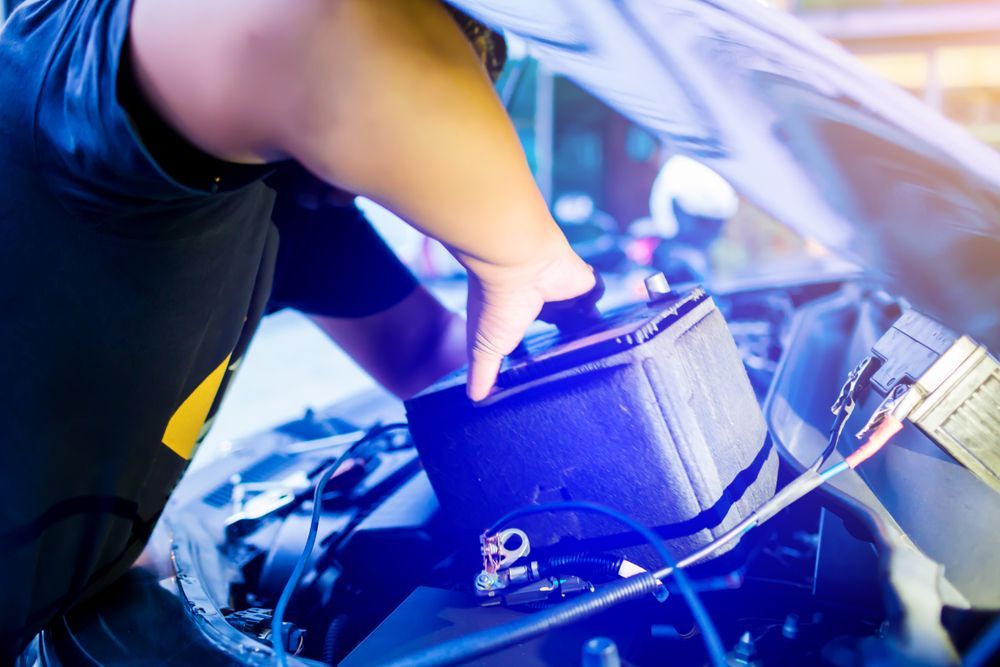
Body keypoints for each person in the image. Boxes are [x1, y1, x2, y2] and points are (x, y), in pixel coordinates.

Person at [0, 0, 597, 661]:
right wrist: (524, 255)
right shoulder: (71, 77)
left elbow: (424, 351)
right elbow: (314, 20)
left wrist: (601, 392)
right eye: (449, 89)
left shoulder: (294, 205)